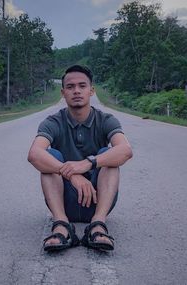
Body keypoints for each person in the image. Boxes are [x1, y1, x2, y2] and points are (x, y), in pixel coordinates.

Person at [27, 65, 133, 252]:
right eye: (70, 87)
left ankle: (98, 225)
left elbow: (125, 150)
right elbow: (34, 154)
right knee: (50, 157)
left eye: (82, 86)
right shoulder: (53, 121)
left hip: (98, 201)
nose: (76, 91)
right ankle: (61, 225)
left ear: (91, 91)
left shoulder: (106, 120)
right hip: (64, 203)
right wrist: (72, 175)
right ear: (63, 93)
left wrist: (87, 163)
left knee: (108, 157)